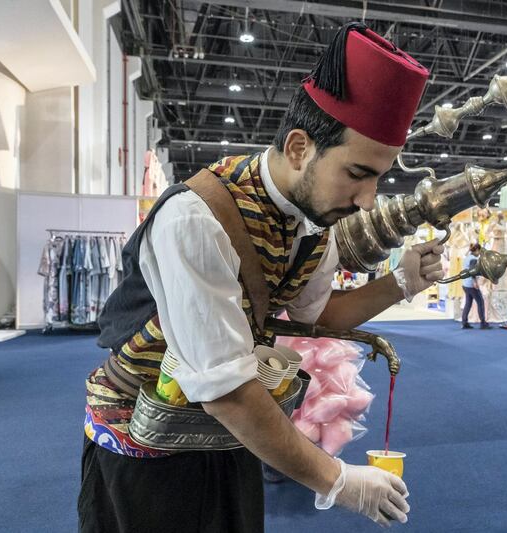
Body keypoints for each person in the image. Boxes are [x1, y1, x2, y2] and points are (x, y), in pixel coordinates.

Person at [78, 22, 441, 532]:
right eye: (358, 174)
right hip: (145, 442)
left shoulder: (315, 224)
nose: (367, 200)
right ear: (299, 149)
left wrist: (400, 282)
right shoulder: (196, 219)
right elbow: (226, 390)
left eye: (378, 179)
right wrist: (338, 480)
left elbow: (317, 317)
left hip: (232, 434)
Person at [461, 243, 491, 330]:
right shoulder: (473, 259)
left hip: (465, 284)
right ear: (477, 250)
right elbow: (472, 271)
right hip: (471, 284)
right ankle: (483, 323)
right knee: (480, 302)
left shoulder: (467, 257)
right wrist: (475, 282)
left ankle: (464, 322)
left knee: (468, 303)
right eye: (480, 251)